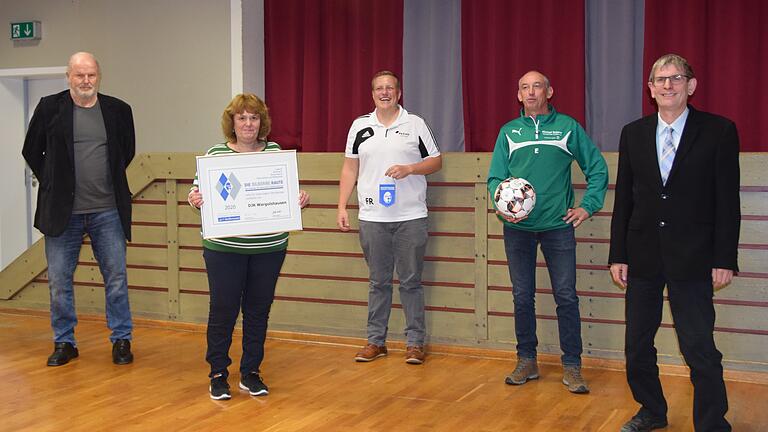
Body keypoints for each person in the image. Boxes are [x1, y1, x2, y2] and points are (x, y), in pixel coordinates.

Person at [609, 54, 739, 432]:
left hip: (695, 258)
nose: (668, 85)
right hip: (643, 256)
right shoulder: (633, 133)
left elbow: (727, 200)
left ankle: (713, 423)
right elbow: (625, 200)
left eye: (676, 78)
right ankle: (651, 410)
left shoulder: (719, 131)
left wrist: (724, 257)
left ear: (691, 86)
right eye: (660, 79)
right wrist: (618, 253)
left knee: (699, 350)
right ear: (650, 89)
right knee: (636, 349)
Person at [487, 70, 608, 394]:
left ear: (549, 91)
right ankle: (526, 360)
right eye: (524, 87)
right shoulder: (509, 132)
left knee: (566, 296)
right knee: (521, 296)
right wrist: (502, 205)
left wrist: (588, 205)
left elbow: (597, 168)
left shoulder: (567, 128)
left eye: (536, 86)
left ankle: (573, 366)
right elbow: (495, 178)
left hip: (558, 227)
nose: (530, 92)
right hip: (518, 229)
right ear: (518, 95)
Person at [188, 93, 310, 400]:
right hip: (224, 249)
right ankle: (218, 373)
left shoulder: (275, 151)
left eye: (253, 117)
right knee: (223, 311)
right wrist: (195, 198)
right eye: (241, 117)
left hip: (269, 247)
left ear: (262, 122)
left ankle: (251, 373)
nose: (248, 123)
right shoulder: (215, 154)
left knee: (258, 311)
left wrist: (298, 200)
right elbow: (196, 190)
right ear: (232, 122)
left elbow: (286, 193)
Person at [22, 52, 136, 367]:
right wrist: (54, 181)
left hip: (107, 211)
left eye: (91, 75)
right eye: (79, 75)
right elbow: (31, 150)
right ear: (68, 76)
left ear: (99, 76)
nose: (86, 81)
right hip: (63, 213)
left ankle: (121, 339)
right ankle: (64, 342)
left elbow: (125, 152)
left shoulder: (118, 111)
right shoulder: (49, 108)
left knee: (116, 277)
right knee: (59, 280)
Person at [337, 71, 442, 365]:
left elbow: (436, 161)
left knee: (410, 282)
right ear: (373, 94)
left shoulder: (416, 124)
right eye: (379, 89)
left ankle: (415, 343)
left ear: (398, 93)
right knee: (378, 281)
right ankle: (375, 341)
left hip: (411, 217)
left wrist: (411, 169)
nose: (385, 93)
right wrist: (342, 206)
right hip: (372, 217)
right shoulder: (360, 126)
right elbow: (349, 169)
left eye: (390, 88)